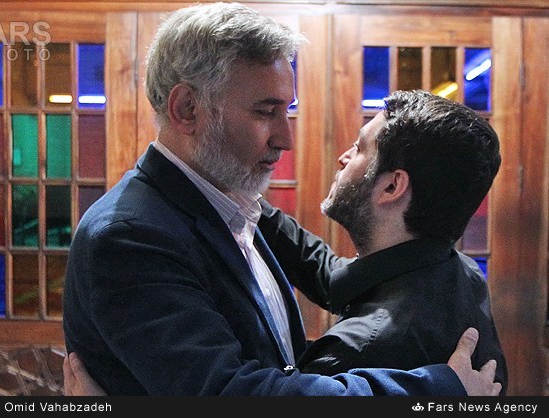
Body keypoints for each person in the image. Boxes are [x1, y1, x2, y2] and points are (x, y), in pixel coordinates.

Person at [62, 2, 502, 396]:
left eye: (286, 110)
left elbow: (324, 280)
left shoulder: (225, 199)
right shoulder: (130, 236)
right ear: (187, 110)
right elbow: (227, 391)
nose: (285, 138)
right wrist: (436, 389)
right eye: (265, 112)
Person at [258, 90, 507, 394]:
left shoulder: (357, 350)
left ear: (391, 186)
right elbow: (332, 274)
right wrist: (246, 202)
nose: (343, 158)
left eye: (358, 148)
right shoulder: (459, 271)